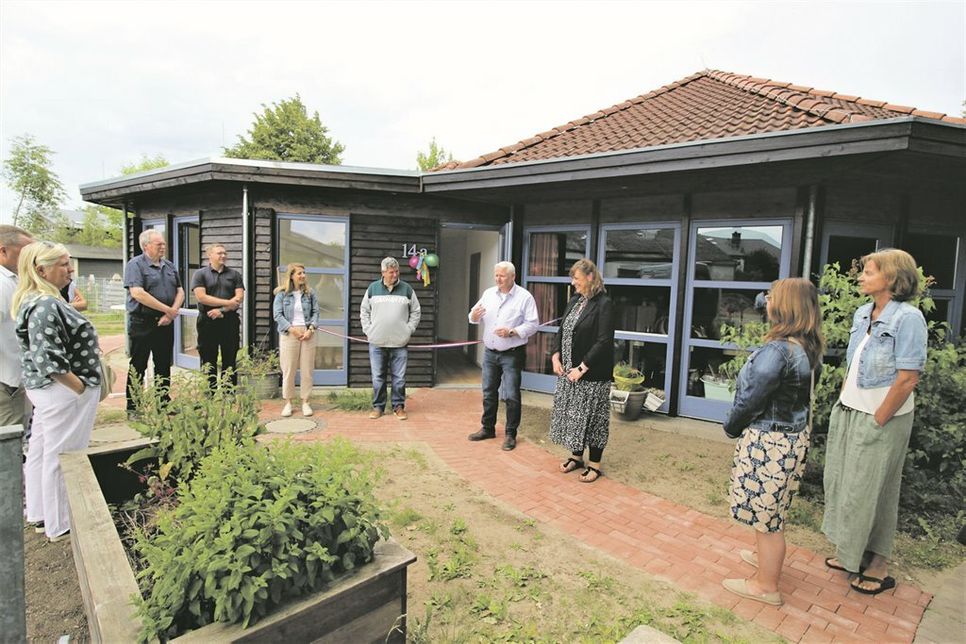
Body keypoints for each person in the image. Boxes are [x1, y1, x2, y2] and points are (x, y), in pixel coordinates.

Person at [822, 248, 927, 596]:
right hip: (851, 410)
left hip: (883, 418)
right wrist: (844, 398)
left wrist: (881, 416)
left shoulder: (908, 318)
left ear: (893, 279)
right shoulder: (863, 312)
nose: (861, 277)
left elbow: (908, 378)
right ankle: (851, 553)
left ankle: (878, 564)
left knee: (877, 491)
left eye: (869, 272)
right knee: (846, 485)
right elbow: (854, 365)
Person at [721, 277, 824, 606]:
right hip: (791, 439)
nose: (765, 301)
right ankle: (764, 560)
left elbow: (752, 398)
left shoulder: (778, 350)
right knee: (772, 510)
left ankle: (767, 586)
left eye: (771, 297)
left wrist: (732, 426)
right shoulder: (804, 345)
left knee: (767, 518)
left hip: (771, 442)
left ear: (785, 306)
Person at [14, 241, 101, 542]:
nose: (71, 269)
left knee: (41, 450)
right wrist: (79, 388)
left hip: (48, 391)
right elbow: (49, 359)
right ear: (42, 270)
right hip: (62, 392)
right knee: (64, 456)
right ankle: (60, 523)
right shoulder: (46, 305)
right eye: (64, 264)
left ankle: (39, 513)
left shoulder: (35, 299)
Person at [549, 258, 614, 481]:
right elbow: (563, 329)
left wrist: (582, 367)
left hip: (592, 375)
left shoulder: (604, 303)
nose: (573, 283)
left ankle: (594, 465)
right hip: (569, 372)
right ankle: (576, 457)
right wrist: (555, 355)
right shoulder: (576, 300)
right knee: (574, 418)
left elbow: (604, 341)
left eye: (576, 278)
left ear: (589, 277)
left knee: (594, 420)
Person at [466, 261, 539, 451]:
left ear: (512, 277)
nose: (498, 279)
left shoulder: (524, 297)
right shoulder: (489, 294)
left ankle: (510, 434)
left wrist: (512, 332)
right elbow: (473, 317)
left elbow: (533, 324)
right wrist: (473, 316)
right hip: (490, 353)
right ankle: (487, 428)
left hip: (512, 354)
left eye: (502, 276)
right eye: (496, 275)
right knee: (489, 392)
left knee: (512, 395)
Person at [123, 229, 184, 414]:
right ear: (146, 246)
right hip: (143, 322)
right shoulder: (136, 265)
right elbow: (138, 293)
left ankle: (163, 403)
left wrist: (170, 314)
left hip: (165, 323)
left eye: (163, 244)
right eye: (159, 244)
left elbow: (180, 290)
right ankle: (133, 407)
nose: (163, 247)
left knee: (163, 364)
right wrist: (167, 310)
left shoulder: (170, 266)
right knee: (138, 365)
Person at [360, 257, 420, 420]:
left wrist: (409, 329)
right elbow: (364, 311)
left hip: (400, 342)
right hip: (376, 342)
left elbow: (416, 311)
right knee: (378, 377)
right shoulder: (372, 289)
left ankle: (398, 407)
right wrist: (368, 330)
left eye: (397, 271)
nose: (395, 275)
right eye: (391, 272)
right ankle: (378, 407)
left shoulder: (407, 289)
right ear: (383, 272)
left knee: (399, 378)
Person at [190, 243, 245, 390]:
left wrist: (221, 310)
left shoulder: (234, 275)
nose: (223, 256)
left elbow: (239, 298)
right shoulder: (200, 274)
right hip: (207, 321)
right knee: (208, 358)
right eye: (219, 253)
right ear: (210, 256)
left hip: (229, 321)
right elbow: (202, 297)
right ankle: (210, 392)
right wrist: (228, 303)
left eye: (224, 253)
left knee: (230, 357)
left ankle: (229, 392)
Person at [273, 263, 320, 417]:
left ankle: (305, 401)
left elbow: (316, 312)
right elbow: (277, 315)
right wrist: (292, 329)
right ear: (291, 276)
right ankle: (288, 402)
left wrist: (311, 329)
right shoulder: (282, 294)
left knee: (307, 370)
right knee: (289, 370)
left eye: (304, 273)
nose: (303, 276)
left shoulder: (310, 293)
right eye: (299, 273)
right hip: (289, 334)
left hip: (308, 334)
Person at [0, 225, 35, 432]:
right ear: (3, 251)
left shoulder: (13, 281)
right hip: (6, 384)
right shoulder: (2, 284)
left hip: (14, 380)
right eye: (25, 252)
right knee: (7, 449)